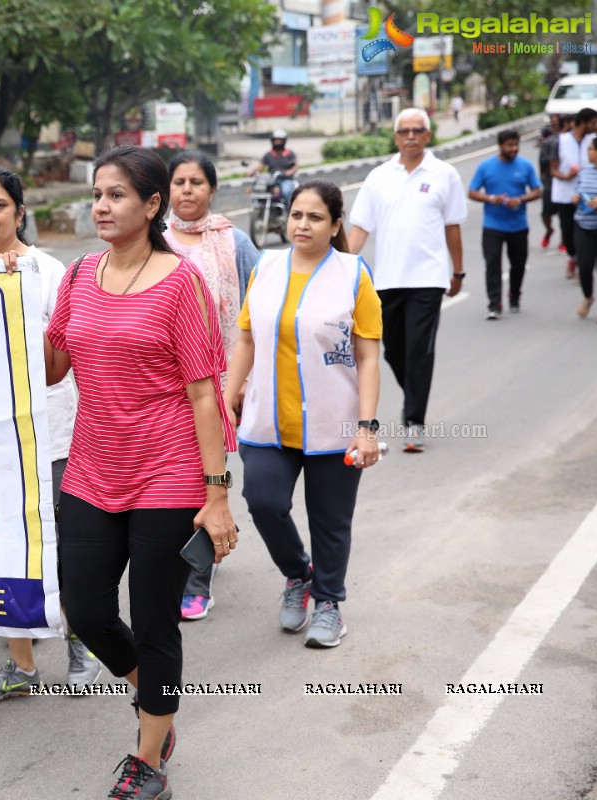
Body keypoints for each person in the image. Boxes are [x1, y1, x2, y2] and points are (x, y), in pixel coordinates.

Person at [36, 145, 237, 799]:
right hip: (94, 468)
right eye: (97, 193)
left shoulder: (182, 284)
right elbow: (53, 368)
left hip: (170, 470)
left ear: (152, 206)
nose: (101, 205)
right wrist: (4, 304)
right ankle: (151, 696)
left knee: (155, 621)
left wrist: (217, 496)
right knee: (85, 610)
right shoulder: (78, 275)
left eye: (117, 194)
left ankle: (149, 757)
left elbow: (205, 394)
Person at [0, 167, 101, 704]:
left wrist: (13, 294)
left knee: (59, 551)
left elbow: (61, 360)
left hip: (52, 436)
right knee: (2, 553)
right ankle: (20, 666)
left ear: (20, 212)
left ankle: (82, 643)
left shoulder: (49, 272)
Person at [225, 180, 382, 649]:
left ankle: (329, 602)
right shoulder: (267, 267)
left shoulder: (353, 274)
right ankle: (299, 573)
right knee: (264, 502)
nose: (302, 224)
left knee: (331, 519)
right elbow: (247, 338)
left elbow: (369, 355)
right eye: (296, 214)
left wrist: (367, 428)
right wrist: (229, 394)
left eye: (315, 217)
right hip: (268, 421)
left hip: (335, 424)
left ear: (335, 225)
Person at [163, 151, 259, 621]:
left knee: (207, 473)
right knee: (176, 479)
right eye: (178, 181)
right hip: (165, 381)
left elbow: (258, 307)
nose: (187, 190)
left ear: (212, 190)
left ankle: (197, 577)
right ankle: (198, 547)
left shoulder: (234, 242)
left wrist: (241, 381)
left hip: (219, 380)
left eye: (196, 182)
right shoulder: (153, 242)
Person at [348, 108, 467, 454]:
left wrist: (457, 271)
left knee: (419, 350)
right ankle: (413, 393)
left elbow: (453, 226)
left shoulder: (445, 175)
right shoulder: (378, 177)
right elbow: (360, 231)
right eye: (404, 131)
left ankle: (414, 420)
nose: (411, 136)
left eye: (418, 130)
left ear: (428, 135)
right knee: (394, 351)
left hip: (428, 279)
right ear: (396, 136)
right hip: (385, 282)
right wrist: (341, 269)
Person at [467, 129, 542, 319]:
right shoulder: (486, 167)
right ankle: (494, 305)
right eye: (509, 145)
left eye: (516, 145)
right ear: (500, 146)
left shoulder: (525, 166)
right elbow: (472, 192)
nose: (514, 148)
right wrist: (491, 198)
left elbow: (537, 190)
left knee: (518, 264)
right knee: (493, 265)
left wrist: (521, 199)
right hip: (493, 226)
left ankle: (514, 295)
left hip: (518, 225)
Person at [550, 107, 597, 279]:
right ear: (583, 122)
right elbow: (553, 169)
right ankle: (574, 257)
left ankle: (583, 265)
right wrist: (567, 176)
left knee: (585, 232)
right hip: (566, 195)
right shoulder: (561, 141)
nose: (596, 126)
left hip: (590, 197)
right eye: (593, 122)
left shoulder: (594, 141)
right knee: (567, 232)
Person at [571, 137, 597, 319]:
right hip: (583, 225)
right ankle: (588, 297)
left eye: (590, 149)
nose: (587, 152)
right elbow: (577, 191)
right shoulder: (584, 172)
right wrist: (576, 198)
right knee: (585, 268)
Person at [253, 129, 299, 206]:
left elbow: (295, 166)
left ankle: (289, 212)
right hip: (272, 180)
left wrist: (290, 172)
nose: (277, 142)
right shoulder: (268, 154)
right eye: (275, 140)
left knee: (286, 191)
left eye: (279, 140)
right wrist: (253, 172)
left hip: (285, 179)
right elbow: (261, 166)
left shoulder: (290, 153)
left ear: (284, 141)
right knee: (258, 190)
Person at [538, 117, 565, 249]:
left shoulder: (570, 142)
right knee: (545, 214)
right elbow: (542, 162)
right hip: (550, 182)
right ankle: (549, 230)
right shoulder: (549, 142)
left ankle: (563, 241)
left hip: (566, 183)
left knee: (564, 214)